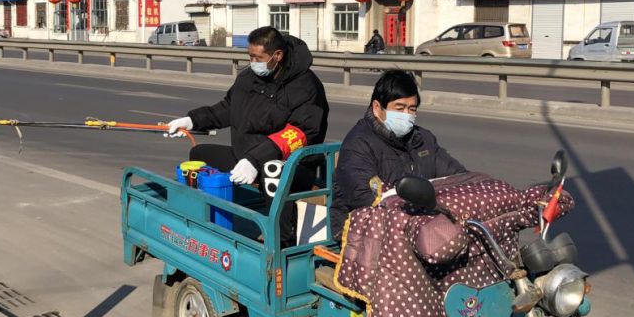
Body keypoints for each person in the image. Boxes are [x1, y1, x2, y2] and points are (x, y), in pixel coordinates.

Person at [166, 25, 329, 210]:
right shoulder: (248, 78)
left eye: (258, 58)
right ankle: (210, 217)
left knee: (272, 171)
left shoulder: (306, 86)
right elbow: (228, 108)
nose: (253, 62)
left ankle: (279, 229)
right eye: (250, 56)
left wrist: (255, 160)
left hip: (290, 163)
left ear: (277, 55)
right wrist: (192, 120)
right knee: (200, 155)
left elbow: (299, 133)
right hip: (246, 156)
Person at [330, 70, 466, 242]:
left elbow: (457, 176)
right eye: (399, 108)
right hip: (365, 228)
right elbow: (365, 198)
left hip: (419, 223)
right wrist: (415, 216)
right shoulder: (358, 143)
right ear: (377, 108)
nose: (406, 115)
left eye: (412, 109)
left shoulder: (423, 139)